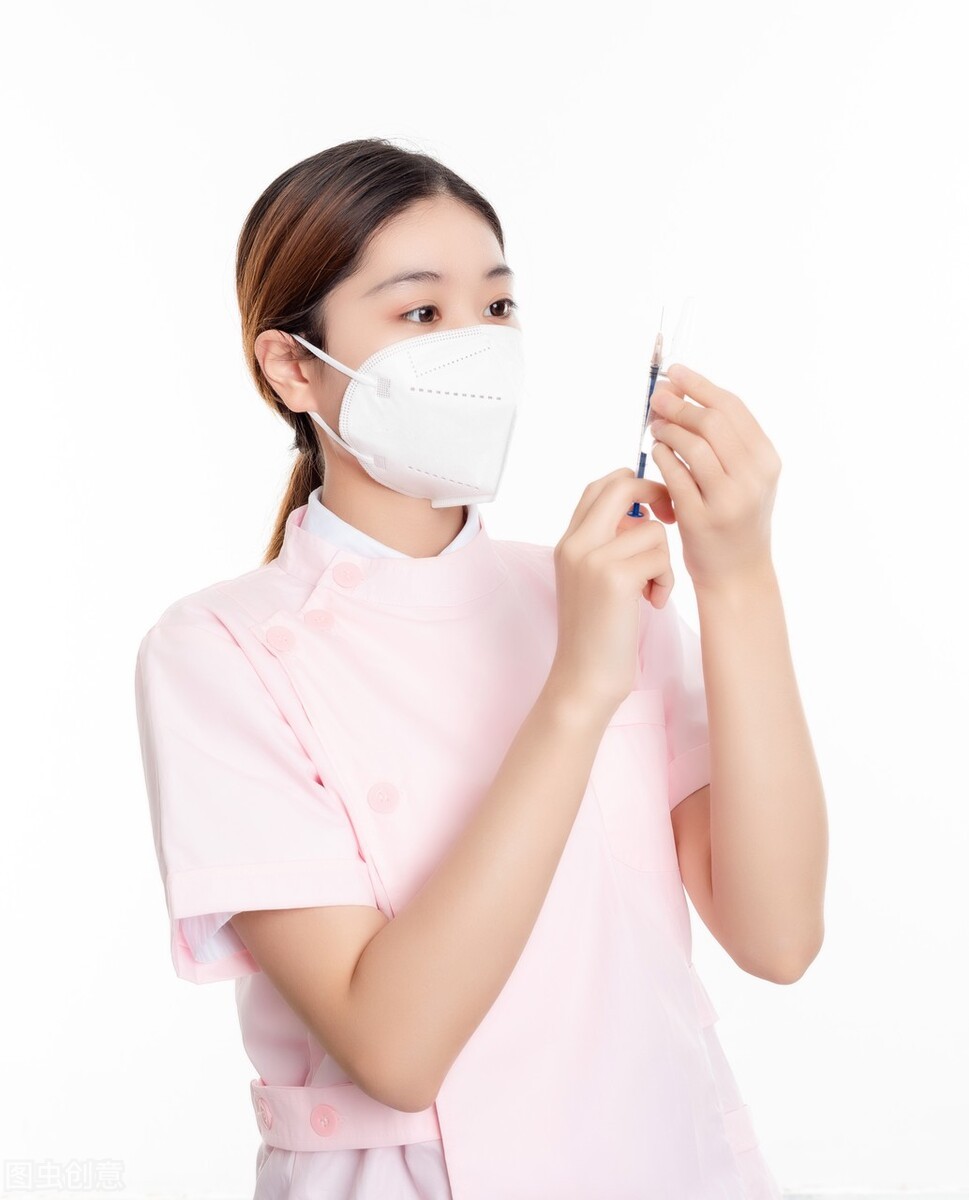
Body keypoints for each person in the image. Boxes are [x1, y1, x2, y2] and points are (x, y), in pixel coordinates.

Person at [134, 137, 826, 1199]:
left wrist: (737, 581)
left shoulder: (588, 588)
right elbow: (396, 1048)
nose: (476, 346)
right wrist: (578, 688)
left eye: (497, 306)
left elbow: (778, 938)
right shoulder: (217, 651)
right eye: (421, 313)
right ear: (293, 365)